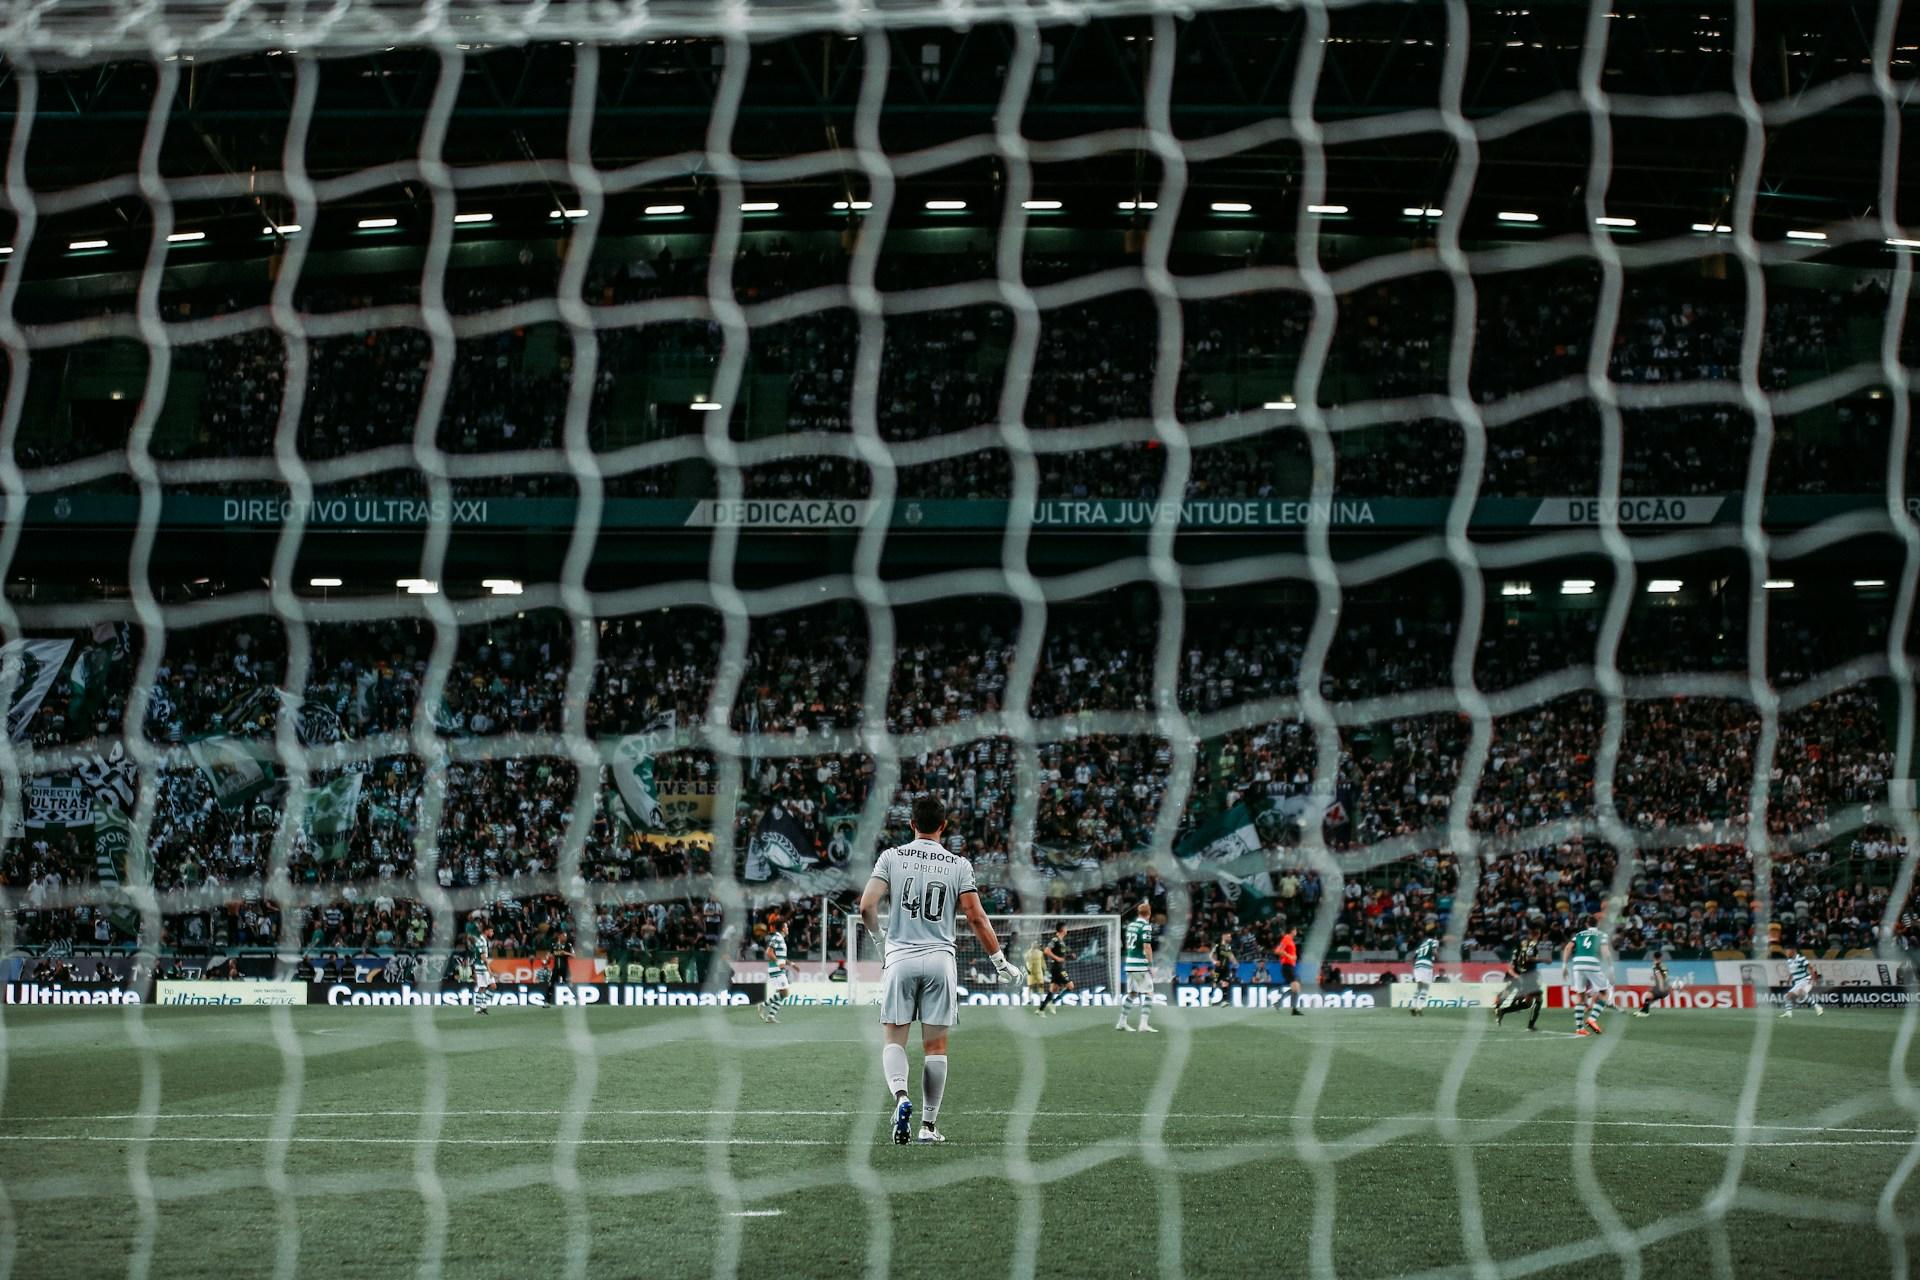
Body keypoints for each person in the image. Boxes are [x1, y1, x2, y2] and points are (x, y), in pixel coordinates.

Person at [858, 795, 1019, 1145]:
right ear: (943, 826)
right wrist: (1000, 963)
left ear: (911, 824)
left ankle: (901, 1098)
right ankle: (928, 1127)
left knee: (893, 1038)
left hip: (899, 957)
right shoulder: (958, 864)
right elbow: (975, 917)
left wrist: (879, 940)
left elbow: (867, 906)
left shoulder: (891, 857)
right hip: (940, 960)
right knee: (936, 1048)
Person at [1562, 915, 1614, 1036]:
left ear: (1586, 924)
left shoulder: (1579, 935)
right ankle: (1592, 1019)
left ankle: (1580, 1028)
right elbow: (1606, 952)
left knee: (1580, 996)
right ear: (1598, 924)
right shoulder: (1602, 935)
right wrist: (1611, 967)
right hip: (1592, 964)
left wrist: (1564, 966)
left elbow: (1568, 947)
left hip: (1577, 964)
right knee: (1604, 993)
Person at [1116, 901, 1159, 1033]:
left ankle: (1121, 1022)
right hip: (1140, 964)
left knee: (1133, 993)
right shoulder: (1145, 926)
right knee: (1149, 993)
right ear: (1149, 914)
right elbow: (1147, 946)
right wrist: (1151, 965)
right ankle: (1143, 1024)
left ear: (1138, 913)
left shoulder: (1131, 925)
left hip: (1129, 963)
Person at [1495, 927, 1543, 1031]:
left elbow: (1515, 964)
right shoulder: (1531, 946)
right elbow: (1528, 959)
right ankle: (1530, 1026)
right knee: (1538, 999)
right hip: (1528, 976)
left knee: (1527, 1003)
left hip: (1523, 975)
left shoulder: (1518, 950)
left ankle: (1502, 1010)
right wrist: (1542, 959)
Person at [760, 917, 792, 1025]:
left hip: (778, 968)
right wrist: (778, 962)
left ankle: (770, 1016)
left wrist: (790, 963)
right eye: (786, 926)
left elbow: (780, 956)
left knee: (781, 993)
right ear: (783, 929)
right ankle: (763, 1005)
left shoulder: (781, 939)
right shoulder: (777, 937)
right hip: (776, 968)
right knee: (785, 992)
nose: (788, 928)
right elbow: (768, 952)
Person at [1039, 922, 1074, 1016]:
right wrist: (1057, 958)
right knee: (1070, 986)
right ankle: (1053, 1002)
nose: (1067, 930)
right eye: (1066, 928)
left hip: (1059, 967)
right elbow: (1046, 950)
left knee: (1053, 989)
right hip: (1058, 968)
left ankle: (1041, 1009)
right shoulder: (1055, 940)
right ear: (1062, 929)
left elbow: (1061, 955)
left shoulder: (1062, 942)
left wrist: (1069, 956)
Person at [1779, 946, 1823, 1018]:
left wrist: (1814, 978)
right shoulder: (1789, 961)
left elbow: (1810, 968)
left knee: (1800, 992)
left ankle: (1817, 1007)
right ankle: (1788, 1013)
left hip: (1805, 979)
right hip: (1797, 982)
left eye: (1787, 951)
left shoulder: (1801, 958)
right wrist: (1788, 980)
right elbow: (1792, 972)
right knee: (1787, 996)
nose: (1786, 953)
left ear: (1793, 950)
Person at [1635, 951, 1676, 1018]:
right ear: (1661, 957)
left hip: (1661, 987)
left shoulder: (1656, 966)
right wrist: (1654, 977)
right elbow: (1665, 976)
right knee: (1649, 997)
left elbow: (1660, 978)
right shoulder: (1663, 966)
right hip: (1666, 988)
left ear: (1653, 957)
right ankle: (1643, 1011)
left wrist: (1661, 987)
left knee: (1648, 996)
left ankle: (1645, 1012)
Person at [1408, 932, 1439, 1017]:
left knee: (1419, 987)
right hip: (1427, 965)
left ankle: (1413, 1006)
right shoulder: (1434, 941)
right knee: (1425, 987)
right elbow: (1434, 951)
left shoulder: (1422, 945)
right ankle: (1420, 1007)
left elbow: (1414, 957)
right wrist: (1437, 957)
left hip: (1418, 964)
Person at [1273, 927, 1303, 1016]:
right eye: (1295, 930)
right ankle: (1292, 1009)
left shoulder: (1290, 940)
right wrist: (1289, 956)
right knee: (1296, 987)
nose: (1296, 932)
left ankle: (1280, 1003)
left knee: (1296, 987)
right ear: (1292, 930)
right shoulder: (1286, 938)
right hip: (1287, 967)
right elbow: (1277, 951)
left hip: (1290, 967)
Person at [470, 921, 495, 1015]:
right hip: (481, 967)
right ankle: (478, 1008)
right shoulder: (481, 941)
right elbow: (483, 957)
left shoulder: (483, 940)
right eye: (491, 931)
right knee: (483, 987)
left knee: (491, 986)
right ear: (487, 931)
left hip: (482, 966)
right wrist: (489, 969)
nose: (492, 933)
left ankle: (483, 1005)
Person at [546, 928, 572, 1010]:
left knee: (569, 984)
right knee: (551, 984)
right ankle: (547, 1002)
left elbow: (574, 955)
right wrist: (548, 958)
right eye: (564, 936)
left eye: (566, 936)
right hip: (556, 968)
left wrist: (565, 953)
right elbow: (549, 955)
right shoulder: (554, 945)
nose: (565, 937)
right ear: (560, 936)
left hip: (565, 968)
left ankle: (577, 999)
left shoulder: (568, 945)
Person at [1210, 932, 1236, 1003]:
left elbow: (1231, 955)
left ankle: (1224, 1000)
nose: (1229, 938)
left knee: (1225, 983)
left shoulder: (1228, 947)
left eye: (1230, 937)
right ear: (1223, 936)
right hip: (1218, 968)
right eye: (1228, 936)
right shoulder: (1217, 946)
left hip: (1226, 968)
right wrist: (1214, 961)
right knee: (1215, 982)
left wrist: (1234, 962)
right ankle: (1210, 997)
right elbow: (1211, 955)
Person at [1025, 935, 1047, 1012]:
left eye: (1035, 944)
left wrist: (1045, 969)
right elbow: (1026, 962)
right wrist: (1027, 969)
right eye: (1033, 944)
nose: (1034, 945)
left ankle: (1041, 999)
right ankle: (1029, 1000)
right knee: (1030, 986)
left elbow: (1043, 962)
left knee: (1041, 985)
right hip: (1031, 972)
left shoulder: (1040, 953)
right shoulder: (1028, 953)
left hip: (1038, 972)